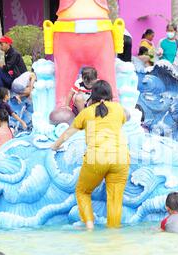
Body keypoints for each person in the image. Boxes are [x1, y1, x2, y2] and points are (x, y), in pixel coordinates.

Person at [52, 80, 130, 230]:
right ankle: (114, 232)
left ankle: (89, 227)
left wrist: (54, 146)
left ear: (92, 95)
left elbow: (69, 132)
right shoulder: (119, 109)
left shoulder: (87, 112)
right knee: (115, 200)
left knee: (82, 191)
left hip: (96, 158)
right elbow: (121, 121)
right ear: (110, 95)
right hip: (121, 157)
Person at [0, 36, 27, 102]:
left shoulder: (14, 54)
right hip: (11, 78)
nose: (0, 46)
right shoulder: (7, 53)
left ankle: (2, 96)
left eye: (1, 44)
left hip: (17, 81)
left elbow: (7, 68)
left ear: (7, 44)